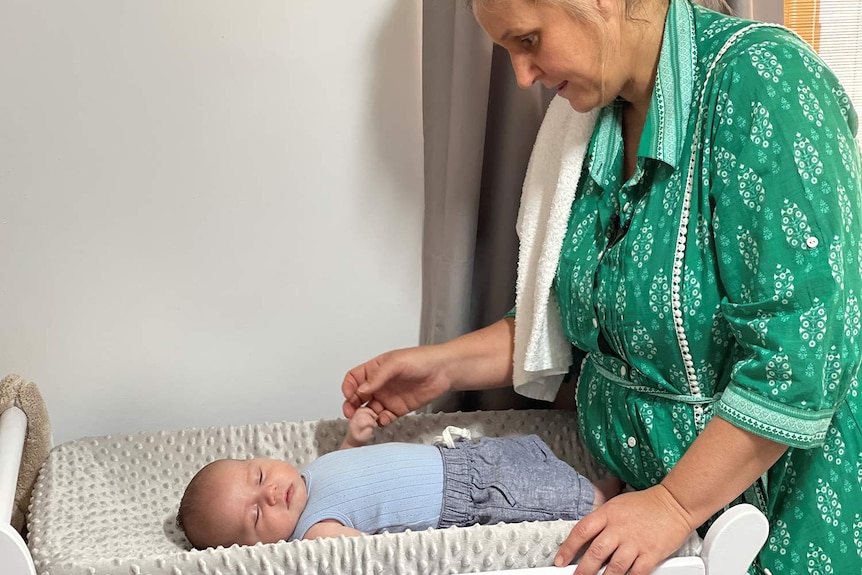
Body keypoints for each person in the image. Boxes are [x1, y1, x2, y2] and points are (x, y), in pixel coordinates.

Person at [342, 1, 862, 574]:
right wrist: (443, 367)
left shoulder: (766, 85)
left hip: (771, 529)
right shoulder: (597, 117)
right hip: (649, 515)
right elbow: (569, 321)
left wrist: (673, 503)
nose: (522, 75)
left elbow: (801, 360)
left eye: (530, 40)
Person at [175, 406, 621, 549]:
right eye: (256, 514)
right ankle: (601, 501)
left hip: (457, 457)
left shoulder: (309, 473)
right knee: (541, 498)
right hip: (466, 499)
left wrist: (354, 437)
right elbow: (368, 550)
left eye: (257, 475)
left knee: (524, 454)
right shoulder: (314, 532)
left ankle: (589, 486)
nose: (270, 493)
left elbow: (350, 465)